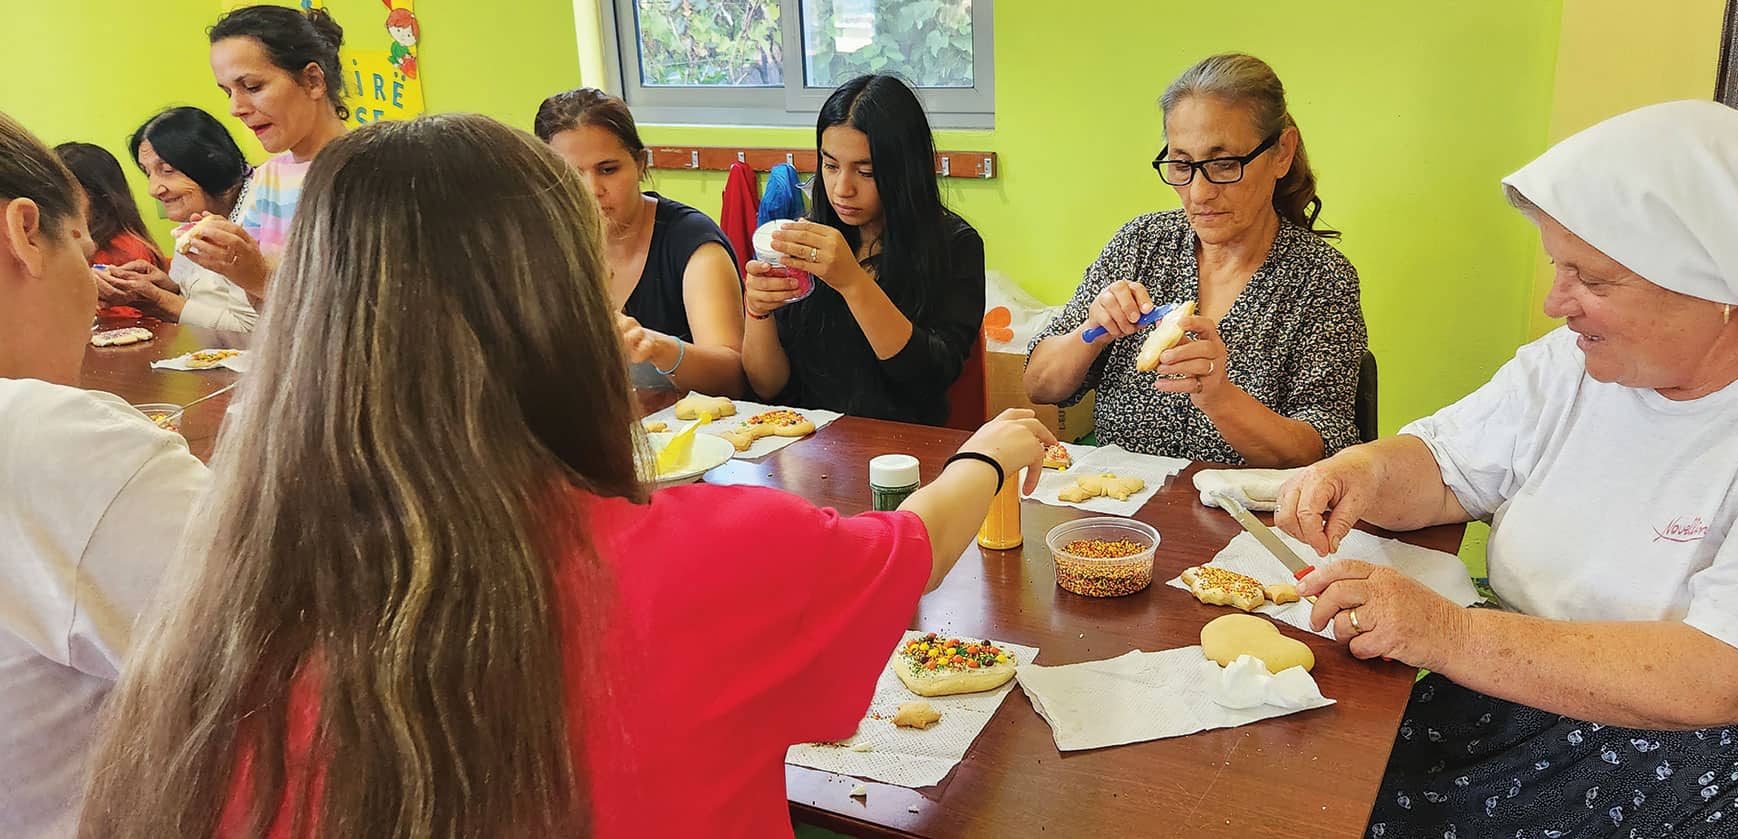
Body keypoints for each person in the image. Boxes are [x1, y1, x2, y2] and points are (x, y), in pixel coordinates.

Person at [76, 113, 1055, 839]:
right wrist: (991, 453)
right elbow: (909, 547)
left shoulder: (222, 597)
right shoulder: (701, 555)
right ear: (561, 312)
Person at [1276, 101, 1738, 837]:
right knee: (1303, 791)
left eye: (1592, 278)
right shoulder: (1581, 363)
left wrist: (1443, 634)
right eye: (1559, 266)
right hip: (1527, 694)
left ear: (1723, 284)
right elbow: (1448, 464)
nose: (1557, 303)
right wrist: (1359, 469)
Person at [0, 113, 208, 839]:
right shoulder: (52, 440)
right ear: (26, 232)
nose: (91, 290)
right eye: (82, 253)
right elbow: (278, 656)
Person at [1025, 54, 1365, 466]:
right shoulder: (1142, 242)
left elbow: (1320, 449)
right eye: (1182, 165)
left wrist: (1220, 398)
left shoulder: (1320, 278)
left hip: (1245, 522)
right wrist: (1092, 331)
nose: (1199, 193)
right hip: (1121, 510)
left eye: (1224, 164)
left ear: (1281, 153)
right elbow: (1040, 385)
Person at [742, 74, 985, 425]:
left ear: (905, 170)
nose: (842, 188)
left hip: (905, 454)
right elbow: (769, 388)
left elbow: (928, 378)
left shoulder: (954, 245)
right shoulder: (808, 238)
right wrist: (757, 311)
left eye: (866, 171)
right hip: (809, 446)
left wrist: (852, 282)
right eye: (830, 165)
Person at [534, 87, 747, 398]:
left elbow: (733, 378)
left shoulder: (693, 244)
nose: (592, 189)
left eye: (608, 170)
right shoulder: (543, 245)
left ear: (640, 164)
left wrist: (656, 348)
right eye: (570, 173)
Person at [182, 4, 351, 303]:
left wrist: (259, 277)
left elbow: (352, 305)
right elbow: (263, 310)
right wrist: (234, 263)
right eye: (228, 92)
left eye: (252, 86)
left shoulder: (370, 168)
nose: (236, 108)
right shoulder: (268, 178)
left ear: (313, 81)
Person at [103, 106, 260, 332]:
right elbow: (208, 301)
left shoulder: (259, 212)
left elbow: (252, 327)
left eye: (167, 170)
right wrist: (168, 288)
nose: (154, 189)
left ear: (210, 162)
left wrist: (160, 301)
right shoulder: (193, 220)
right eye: (148, 173)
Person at [52, 142, 165, 320]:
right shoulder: (55, 243)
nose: (52, 204)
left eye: (65, 193)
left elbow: (125, 324)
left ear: (100, 198)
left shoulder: (123, 250)